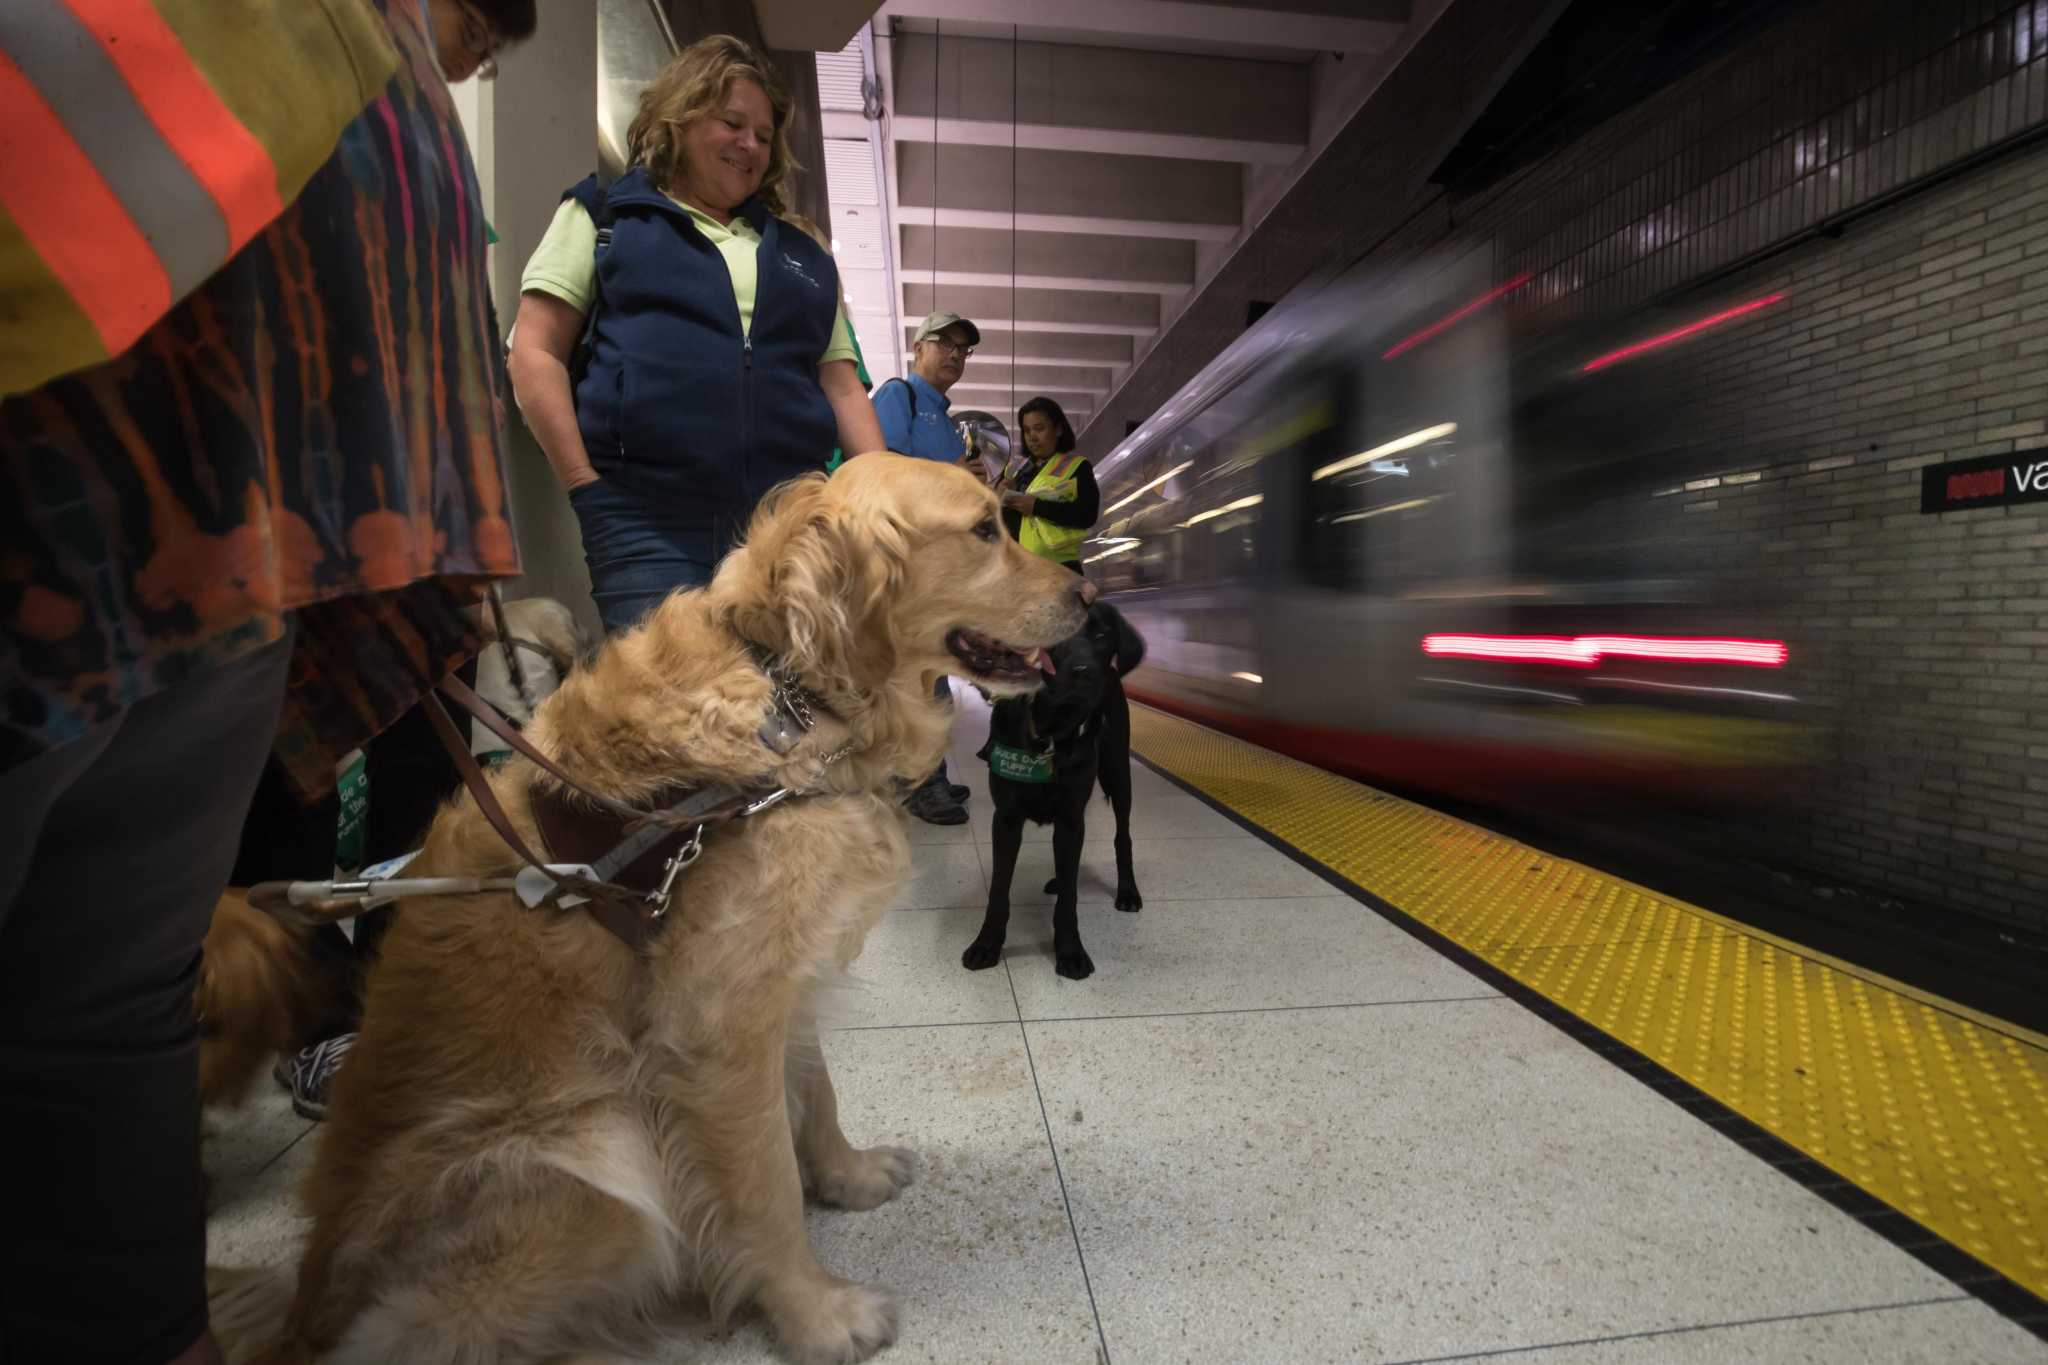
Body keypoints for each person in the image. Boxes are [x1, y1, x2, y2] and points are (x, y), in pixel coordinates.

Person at [0, 0, 531, 1360]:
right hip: (261, 447)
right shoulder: (375, 45)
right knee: (109, 1003)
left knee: (105, 995)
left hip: (86, 376)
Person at [507, 35, 884, 635]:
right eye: (732, 123)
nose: (750, 146)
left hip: (786, 529)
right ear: (679, 120)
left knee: (784, 712)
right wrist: (587, 490)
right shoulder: (605, 217)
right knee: (663, 706)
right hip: (644, 522)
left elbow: (840, 387)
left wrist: (886, 496)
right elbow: (534, 351)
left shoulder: (803, 255)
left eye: (764, 136)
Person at [873, 311, 985, 825]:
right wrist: (951, 475)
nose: (955, 354)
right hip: (903, 563)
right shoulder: (901, 397)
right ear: (918, 347)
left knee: (933, 672)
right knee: (916, 678)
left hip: (935, 572)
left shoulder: (945, 419)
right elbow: (881, 465)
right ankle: (917, 783)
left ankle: (927, 774)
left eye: (964, 349)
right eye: (945, 343)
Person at [1001, 396, 1100, 575]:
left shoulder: (1077, 466)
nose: (1032, 437)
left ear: (1059, 429)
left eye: (1039, 429)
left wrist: (1037, 506)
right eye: (1026, 430)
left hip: (1061, 571)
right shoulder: (1013, 470)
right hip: (1020, 571)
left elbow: (1087, 515)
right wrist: (996, 497)